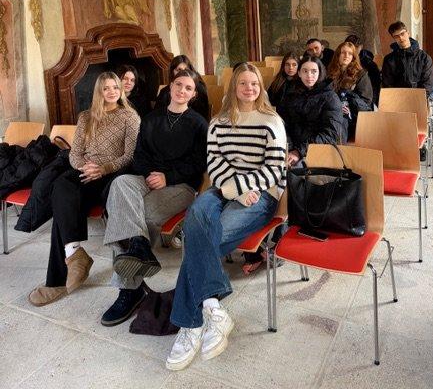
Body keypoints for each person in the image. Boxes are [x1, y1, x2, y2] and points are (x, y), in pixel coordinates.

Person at [166, 63, 287, 371]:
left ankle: (189, 325)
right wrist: (234, 191)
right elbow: (215, 163)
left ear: (260, 87)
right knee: (196, 216)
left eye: (254, 83)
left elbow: (275, 169)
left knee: (204, 238)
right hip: (224, 188)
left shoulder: (272, 121)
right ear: (234, 87)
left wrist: (242, 189)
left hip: (261, 194)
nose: (249, 88)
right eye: (243, 83)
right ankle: (213, 308)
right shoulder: (219, 122)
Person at [100, 69, 208, 327]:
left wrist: (167, 177)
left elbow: (200, 163)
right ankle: (139, 246)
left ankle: (129, 291)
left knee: (133, 216)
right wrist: (151, 174)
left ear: (193, 95)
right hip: (147, 179)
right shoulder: (150, 119)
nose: (182, 91)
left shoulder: (198, 124)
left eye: (188, 88)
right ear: (170, 87)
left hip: (180, 186)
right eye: (178, 85)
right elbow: (139, 155)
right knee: (120, 184)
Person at [28, 72, 140, 307]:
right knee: (61, 186)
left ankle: (57, 280)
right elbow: (75, 153)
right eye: (106, 88)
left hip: (112, 174)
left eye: (115, 87)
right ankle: (74, 253)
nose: (112, 91)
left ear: (120, 90)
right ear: (99, 91)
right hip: (86, 170)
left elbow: (130, 155)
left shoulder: (130, 116)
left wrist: (103, 168)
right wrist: (85, 167)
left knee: (63, 209)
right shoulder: (86, 117)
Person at [278, 55, 344, 167]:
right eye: (305, 71)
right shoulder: (291, 95)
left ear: (320, 73)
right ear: (299, 73)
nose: (309, 75)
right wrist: (290, 149)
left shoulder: (330, 97)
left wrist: (299, 152)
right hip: (292, 150)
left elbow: (330, 134)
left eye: (314, 71)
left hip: (319, 151)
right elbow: (283, 125)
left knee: (294, 171)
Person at [382, 21, 433, 99]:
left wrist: (419, 99)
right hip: (398, 98)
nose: (401, 38)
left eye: (402, 34)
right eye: (396, 36)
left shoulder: (424, 58)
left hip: (419, 97)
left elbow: (427, 83)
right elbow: (387, 84)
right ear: (393, 38)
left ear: (408, 33)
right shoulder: (389, 59)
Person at [328, 42, 373, 140]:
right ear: (338, 55)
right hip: (333, 111)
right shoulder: (330, 73)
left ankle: (339, 146)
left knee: (341, 119)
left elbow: (366, 102)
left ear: (353, 57)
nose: (346, 56)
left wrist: (350, 110)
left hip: (353, 116)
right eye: (343, 52)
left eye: (350, 53)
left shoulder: (361, 74)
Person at [155, 54, 209, 121]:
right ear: (172, 72)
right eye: (179, 70)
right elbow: (156, 115)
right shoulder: (164, 91)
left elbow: (202, 116)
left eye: (186, 69)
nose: (183, 73)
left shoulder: (199, 89)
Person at [344, 34, 381, 106]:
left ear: (360, 47)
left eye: (356, 48)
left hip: (366, 100)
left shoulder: (369, 64)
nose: (353, 51)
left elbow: (376, 85)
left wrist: (372, 103)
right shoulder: (343, 61)